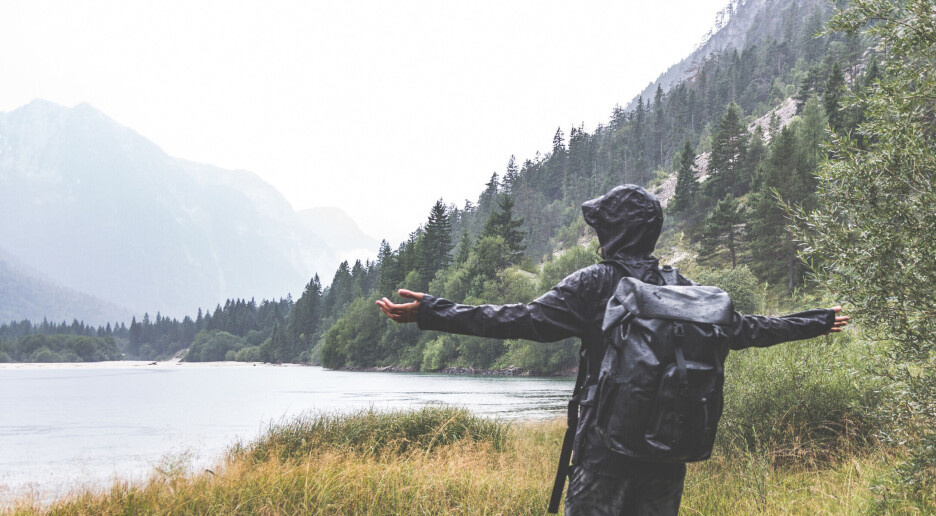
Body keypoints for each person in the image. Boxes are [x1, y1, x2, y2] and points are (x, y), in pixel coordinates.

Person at [376, 184, 849, 515]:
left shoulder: (594, 283)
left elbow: (518, 319)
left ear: (613, 232)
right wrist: (817, 320)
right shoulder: (682, 288)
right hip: (668, 448)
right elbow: (749, 329)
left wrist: (434, 312)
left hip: (605, 450)